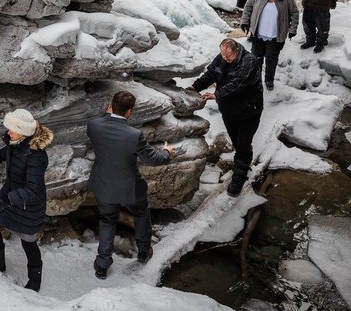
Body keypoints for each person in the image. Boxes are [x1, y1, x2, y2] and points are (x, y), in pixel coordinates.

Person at [86, 91, 176, 279]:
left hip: (104, 184)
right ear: (130, 112)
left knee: (107, 220)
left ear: (110, 106)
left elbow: (105, 123)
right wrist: (167, 153)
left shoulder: (94, 126)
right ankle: (143, 251)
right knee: (141, 213)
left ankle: (102, 265)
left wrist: (108, 114)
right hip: (130, 186)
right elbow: (152, 159)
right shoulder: (134, 135)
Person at [0, 108, 53, 292]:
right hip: (10, 197)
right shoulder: (16, 142)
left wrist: (4, 202)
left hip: (27, 206)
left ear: (23, 132)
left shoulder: (36, 156)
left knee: (28, 243)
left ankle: (34, 281)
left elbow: (34, 190)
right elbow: (10, 152)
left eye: (12, 129)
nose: (8, 132)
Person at [187, 39, 263, 196]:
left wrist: (216, 94)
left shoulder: (250, 61)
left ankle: (239, 176)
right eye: (222, 55)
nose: (225, 59)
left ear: (236, 51)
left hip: (249, 110)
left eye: (228, 56)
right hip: (230, 110)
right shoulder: (222, 57)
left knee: (243, 143)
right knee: (236, 141)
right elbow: (210, 74)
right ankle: (243, 162)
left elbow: (239, 83)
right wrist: (195, 87)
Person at [241, 0, 300, 90]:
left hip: (275, 35)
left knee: (271, 59)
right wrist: (244, 21)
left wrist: (293, 29)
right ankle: (255, 80)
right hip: (258, 34)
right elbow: (248, 6)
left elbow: (294, 12)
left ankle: (269, 80)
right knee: (256, 58)